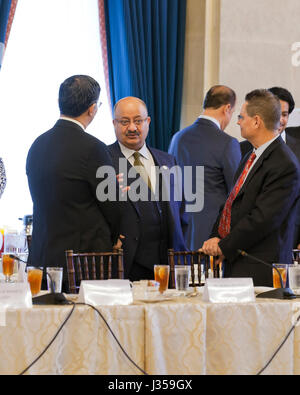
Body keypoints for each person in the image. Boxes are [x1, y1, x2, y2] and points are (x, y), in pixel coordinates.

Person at [26, 75, 120, 292]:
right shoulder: (93, 148)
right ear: (93, 108)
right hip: (81, 264)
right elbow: (113, 206)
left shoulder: (37, 145)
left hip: (41, 259)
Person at [202, 89, 300, 287]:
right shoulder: (250, 155)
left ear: (256, 121)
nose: (237, 121)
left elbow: (262, 218)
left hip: (261, 267)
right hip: (238, 260)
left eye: (241, 117)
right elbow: (231, 203)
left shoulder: (284, 163)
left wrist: (223, 246)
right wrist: (215, 236)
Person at [108, 96, 187, 281]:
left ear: (148, 122)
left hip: (167, 266)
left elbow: (181, 210)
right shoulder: (103, 160)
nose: (133, 128)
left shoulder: (168, 160)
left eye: (138, 121)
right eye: (124, 122)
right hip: (126, 265)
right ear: (114, 123)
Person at [168, 85, 241, 250]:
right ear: (227, 108)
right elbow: (237, 193)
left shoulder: (177, 138)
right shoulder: (227, 143)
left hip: (180, 232)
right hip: (212, 238)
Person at [240, 87, 300, 248]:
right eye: (277, 113)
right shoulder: (244, 149)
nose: (279, 119)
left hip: (292, 235)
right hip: (254, 241)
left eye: (285, 115)